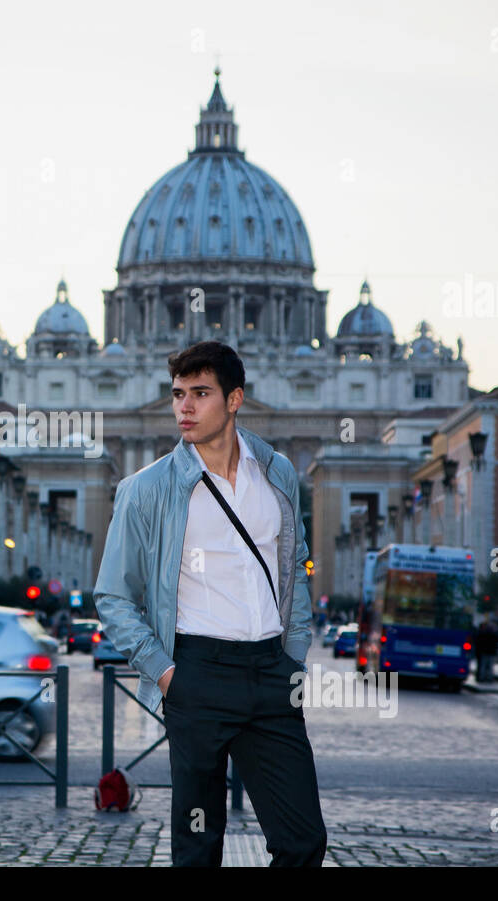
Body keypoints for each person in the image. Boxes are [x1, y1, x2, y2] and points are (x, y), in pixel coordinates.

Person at [94, 341, 326, 867]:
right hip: (195, 674)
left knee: (303, 841)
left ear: (235, 399)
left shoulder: (279, 473)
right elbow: (112, 594)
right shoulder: (145, 490)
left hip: (271, 674)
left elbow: (297, 565)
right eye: (178, 394)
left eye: (201, 393)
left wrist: (293, 655)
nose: (185, 407)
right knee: (198, 848)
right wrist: (165, 672)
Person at [473, 615, 498, 683]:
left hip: (484, 652)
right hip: (491, 652)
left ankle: (482, 677)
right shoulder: (494, 635)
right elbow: (497, 643)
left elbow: (478, 642)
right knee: (490, 666)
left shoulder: (482, 633)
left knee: (483, 665)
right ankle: (489, 678)